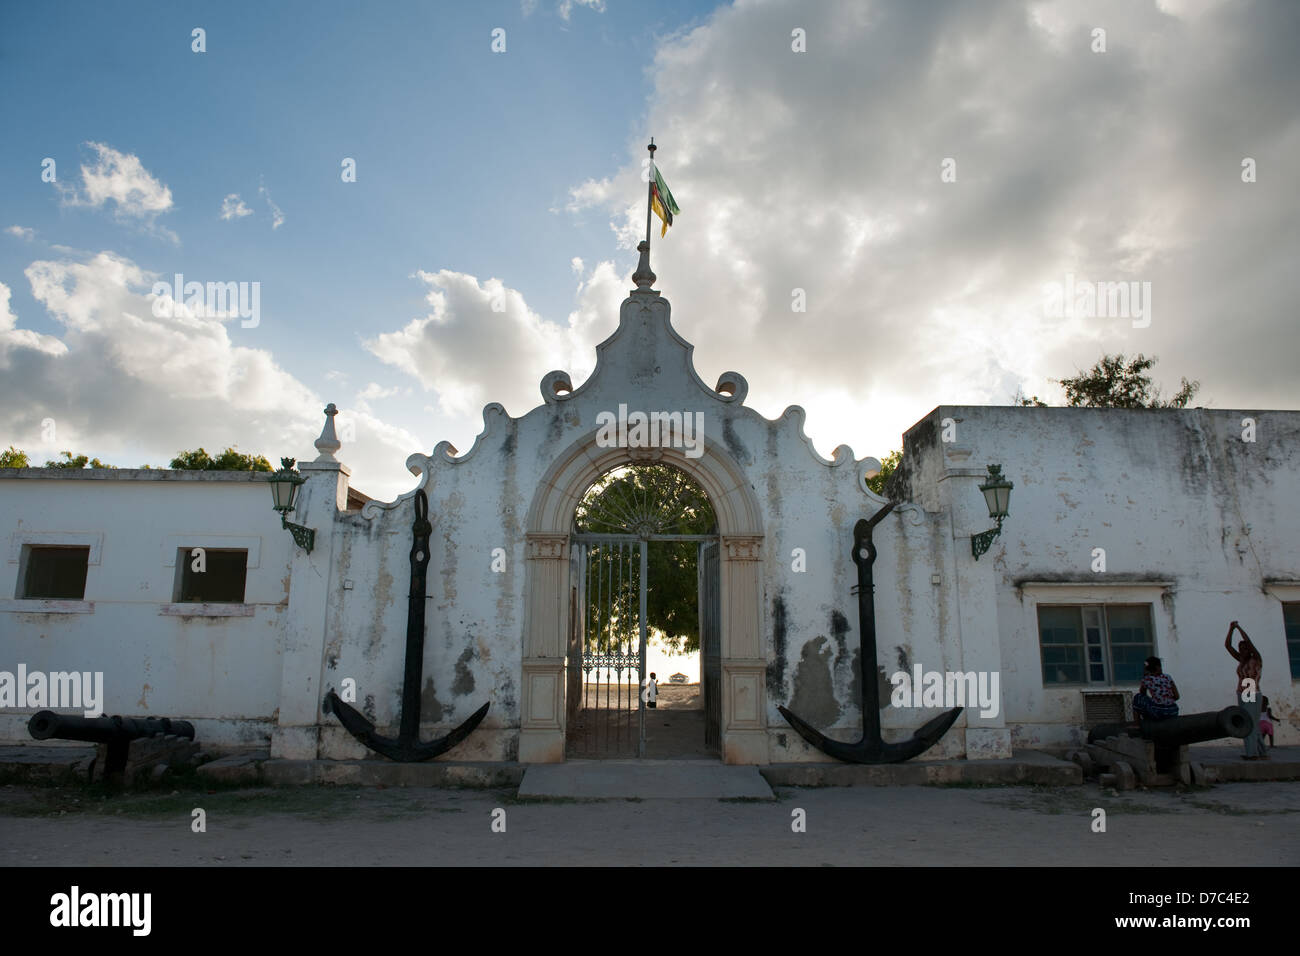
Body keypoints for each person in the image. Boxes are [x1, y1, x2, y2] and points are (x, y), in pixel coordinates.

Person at [1224, 621, 1267, 759]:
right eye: (1240, 648)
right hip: (1241, 692)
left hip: (1252, 691)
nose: (1241, 650)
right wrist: (1231, 630)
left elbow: (1249, 641)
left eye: (1244, 648)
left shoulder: (1256, 659)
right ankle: (1261, 752)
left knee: (1249, 723)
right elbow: (1228, 646)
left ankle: (1252, 754)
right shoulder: (1241, 661)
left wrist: (1238, 628)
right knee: (1250, 722)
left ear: (1249, 649)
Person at [1132, 656, 1179, 721]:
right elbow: (1177, 696)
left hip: (1158, 712)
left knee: (1138, 697)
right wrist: (1167, 701)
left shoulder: (1147, 679)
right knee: (1153, 703)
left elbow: (1142, 694)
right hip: (1173, 711)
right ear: (1158, 667)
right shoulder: (1168, 677)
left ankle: (1136, 724)